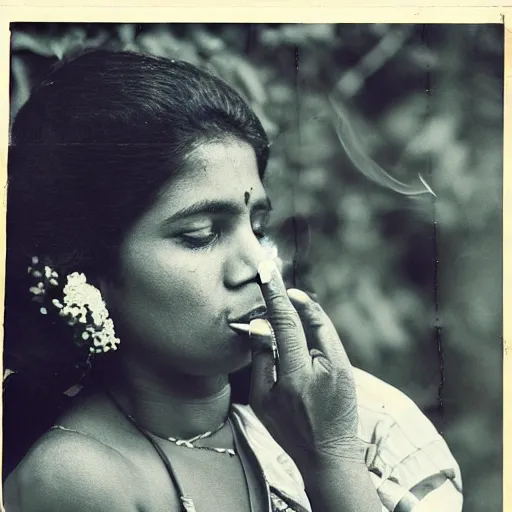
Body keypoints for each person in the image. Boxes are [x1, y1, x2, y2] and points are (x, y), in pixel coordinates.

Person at [3, 49, 462, 512]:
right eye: (200, 236)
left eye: (257, 228)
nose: (260, 266)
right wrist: (330, 465)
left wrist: (332, 454)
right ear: (88, 271)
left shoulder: (350, 422)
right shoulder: (80, 478)